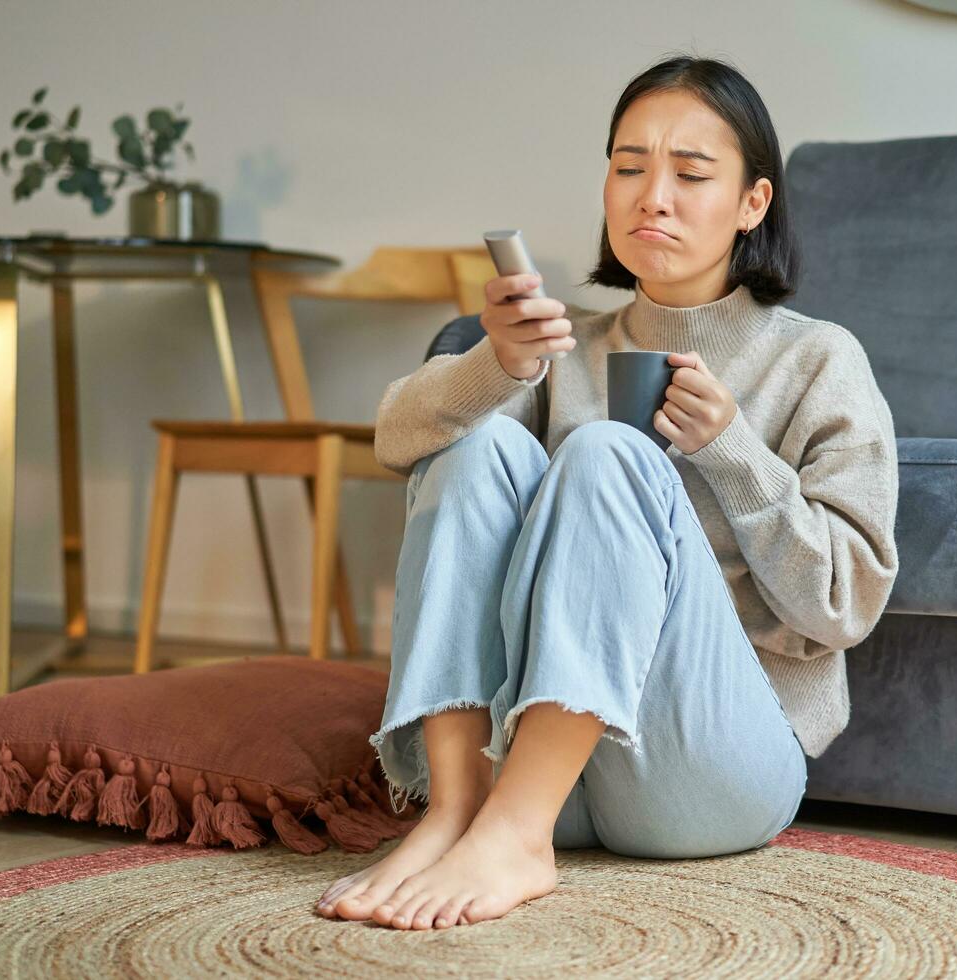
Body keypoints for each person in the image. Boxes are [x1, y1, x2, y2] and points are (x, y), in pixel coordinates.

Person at [316, 53, 899, 930]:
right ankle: (456, 812)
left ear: (753, 204)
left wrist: (733, 451)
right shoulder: (558, 348)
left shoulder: (817, 359)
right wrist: (493, 363)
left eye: (690, 173)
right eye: (628, 167)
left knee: (605, 456)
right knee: (473, 451)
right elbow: (397, 441)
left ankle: (510, 835)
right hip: (545, 774)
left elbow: (846, 604)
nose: (650, 195)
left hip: (710, 776)